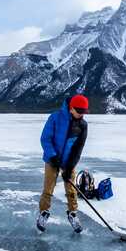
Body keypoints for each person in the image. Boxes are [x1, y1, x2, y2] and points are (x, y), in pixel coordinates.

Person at [36, 94, 89, 233]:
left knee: (71, 190)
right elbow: (45, 139)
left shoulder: (83, 125)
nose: (82, 115)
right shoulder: (55, 117)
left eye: (84, 112)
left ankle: (73, 214)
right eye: (80, 112)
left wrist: (69, 167)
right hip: (51, 159)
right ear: (71, 108)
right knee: (48, 189)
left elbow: (78, 149)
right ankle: (43, 213)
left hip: (68, 162)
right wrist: (53, 156)